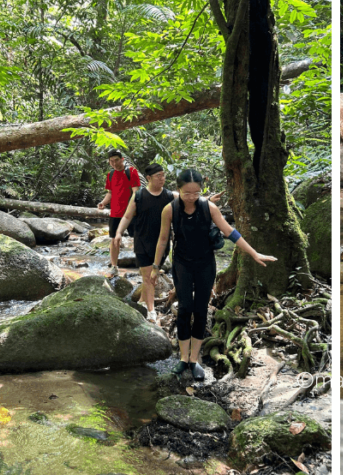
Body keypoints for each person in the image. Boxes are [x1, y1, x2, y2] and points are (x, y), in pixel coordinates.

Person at [153, 169, 277, 380]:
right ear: (178, 190)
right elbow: (163, 239)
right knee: (184, 309)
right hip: (182, 264)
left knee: (200, 310)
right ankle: (183, 359)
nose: (192, 197)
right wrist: (156, 267)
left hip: (205, 265)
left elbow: (231, 232)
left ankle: (194, 359)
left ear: (201, 190)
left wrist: (254, 253)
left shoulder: (209, 208)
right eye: (187, 193)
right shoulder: (169, 210)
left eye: (196, 192)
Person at [112, 164, 174, 323]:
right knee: (149, 277)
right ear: (149, 178)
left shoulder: (168, 196)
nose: (162, 178)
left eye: (163, 175)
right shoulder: (139, 196)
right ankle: (151, 311)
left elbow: (189, 197)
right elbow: (127, 216)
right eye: (158, 175)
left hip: (162, 244)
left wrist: (208, 200)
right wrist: (119, 233)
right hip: (141, 241)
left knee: (150, 276)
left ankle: (142, 302)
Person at [97, 150, 140, 277]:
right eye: (111, 161)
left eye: (116, 160)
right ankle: (114, 266)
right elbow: (110, 193)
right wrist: (103, 203)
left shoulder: (131, 171)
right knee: (114, 239)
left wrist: (132, 209)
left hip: (131, 213)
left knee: (138, 238)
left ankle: (144, 265)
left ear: (122, 159)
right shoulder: (110, 175)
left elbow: (136, 192)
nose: (114, 163)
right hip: (115, 213)